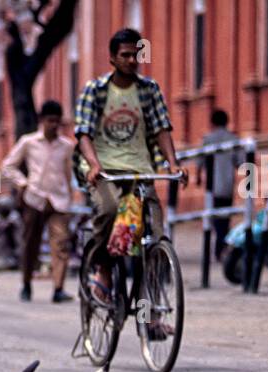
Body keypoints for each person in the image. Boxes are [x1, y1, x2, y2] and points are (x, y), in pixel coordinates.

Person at [75, 28, 186, 302]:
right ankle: (102, 268)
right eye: (125, 55)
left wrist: (173, 164)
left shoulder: (149, 90)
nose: (131, 60)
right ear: (112, 58)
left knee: (154, 238)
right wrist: (93, 165)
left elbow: (162, 128)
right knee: (110, 211)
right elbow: (83, 133)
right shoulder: (96, 90)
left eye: (136, 55)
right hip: (105, 171)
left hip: (140, 171)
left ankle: (151, 312)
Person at [2, 99, 76, 302]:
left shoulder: (67, 146)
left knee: (61, 243)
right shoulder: (28, 142)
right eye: (50, 120)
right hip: (34, 199)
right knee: (30, 244)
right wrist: (23, 183)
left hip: (59, 201)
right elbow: (8, 166)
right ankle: (26, 283)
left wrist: (70, 199)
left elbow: (69, 173)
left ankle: (58, 288)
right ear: (42, 120)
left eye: (57, 121)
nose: (54, 125)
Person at [197, 109, 244, 259]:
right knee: (225, 218)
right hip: (228, 185)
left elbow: (200, 161)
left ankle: (220, 247)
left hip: (212, 187)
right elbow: (242, 162)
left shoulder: (208, 139)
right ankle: (222, 247)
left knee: (215, 218)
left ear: (212, 122)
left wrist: (198, 177)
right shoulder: (233, 139)